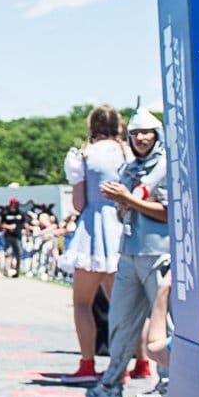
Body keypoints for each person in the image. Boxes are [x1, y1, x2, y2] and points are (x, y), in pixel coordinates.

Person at [84, 109, 171, 397]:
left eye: (147, 133)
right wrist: (124, 204)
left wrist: (129, 200)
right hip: (130, 251)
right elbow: (126, 213)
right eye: (135, 134)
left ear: (157, 135)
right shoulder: (129, 168)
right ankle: (111, 381)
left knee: (164, 323)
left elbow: (168, 213)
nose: (141, 139)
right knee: (120, 320)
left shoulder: (167, 167)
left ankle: (168, 385)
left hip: (159, 253)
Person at [55, 105, 128, 382]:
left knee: (83, 303)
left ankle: (88, 363)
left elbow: (78, 202)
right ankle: (140, 362)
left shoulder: (83, 155)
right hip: (123, 226)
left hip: (93, 229)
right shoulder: (127, 151)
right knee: (125, 304)